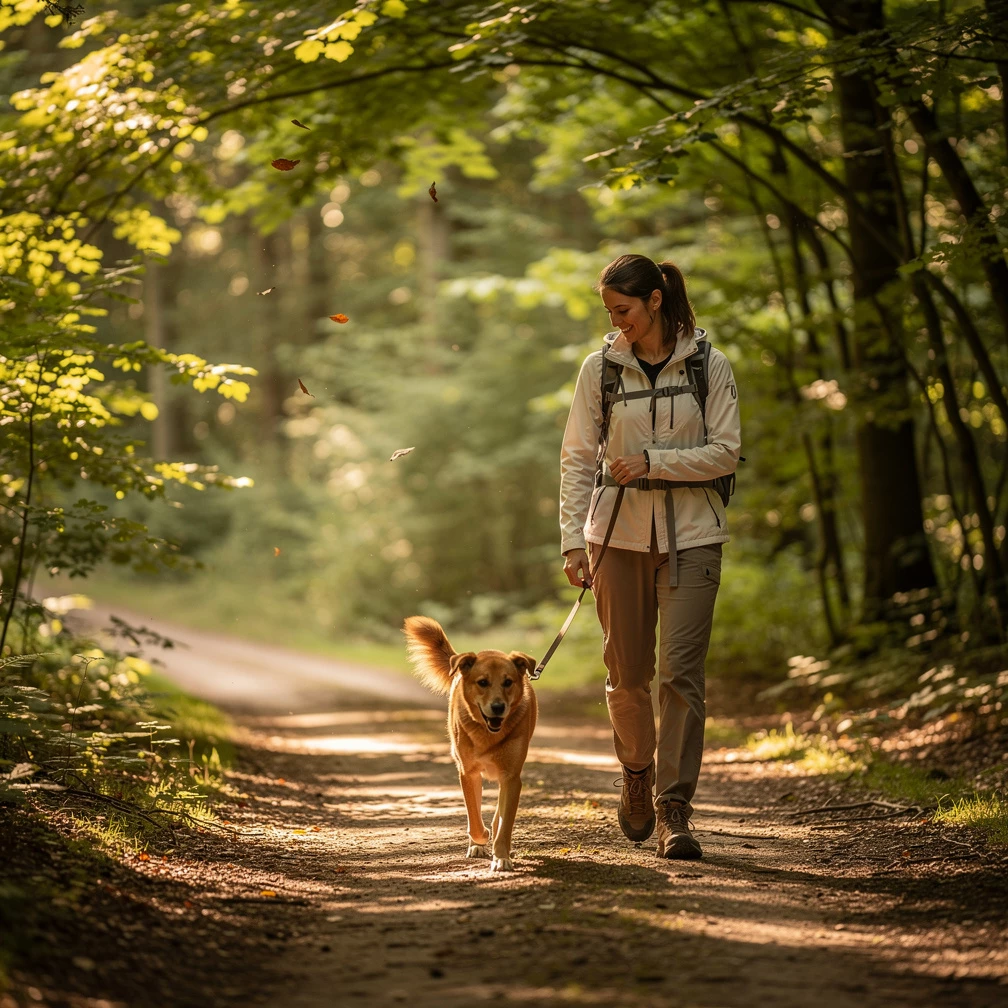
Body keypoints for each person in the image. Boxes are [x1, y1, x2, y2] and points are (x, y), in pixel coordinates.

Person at [559, 253, 741, 859]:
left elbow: (726, 453)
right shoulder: (600, 369)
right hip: (616, 538)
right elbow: (578, 458)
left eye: (625, 310)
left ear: (655, 301)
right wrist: (570, 539)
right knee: (628, 676)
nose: (617, 323)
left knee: (681, 676)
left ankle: (675, 809)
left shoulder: (710, 366)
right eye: (610, 312)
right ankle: (636, 772)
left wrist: (654, 463)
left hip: (694, 536)